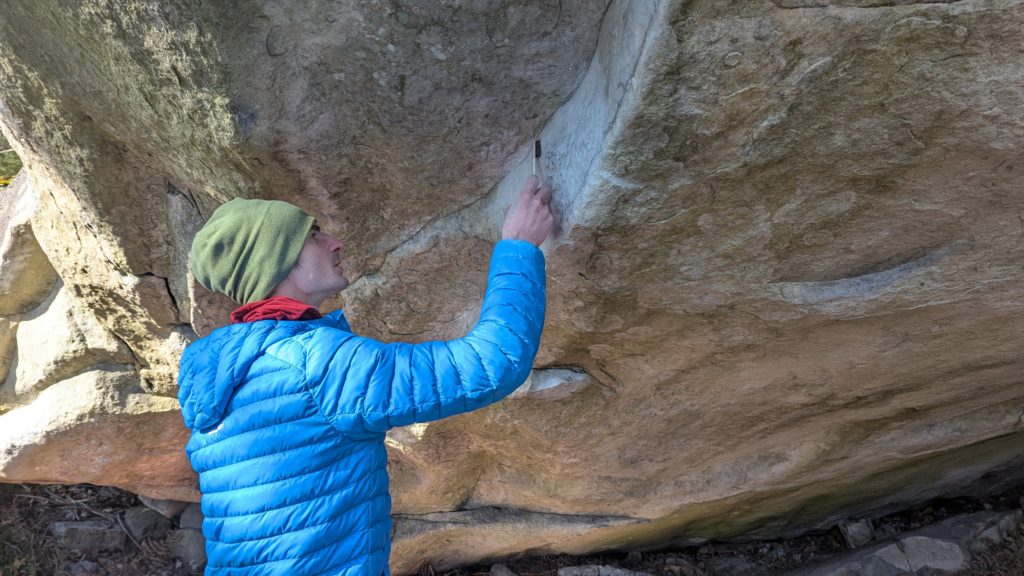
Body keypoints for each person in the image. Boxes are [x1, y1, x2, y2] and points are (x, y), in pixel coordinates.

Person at [178, 175, 553, 575]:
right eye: (313, 235)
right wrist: (519, 245)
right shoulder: (318, 364)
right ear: (279, 263)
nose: (334, 243)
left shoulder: (219, 371)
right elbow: (492, 363)